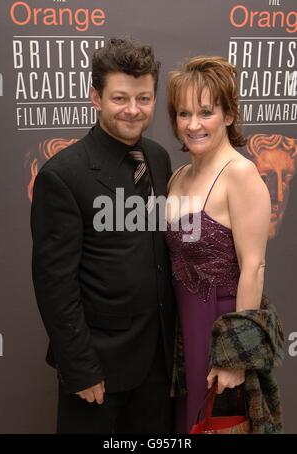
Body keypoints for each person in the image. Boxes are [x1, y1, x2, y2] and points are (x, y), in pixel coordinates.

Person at [31, 37, 176, 434]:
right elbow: (54, 285)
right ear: (95, 97)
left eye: (144, 98)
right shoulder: (63, 176)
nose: (133, 110)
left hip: (159, 366)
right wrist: (80, 369)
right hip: (99, 370)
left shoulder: (159, 158)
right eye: (120, 98)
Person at [165, 56, 272, 433]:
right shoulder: (177, 177)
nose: (193, 124)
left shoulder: (240, 174)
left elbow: (254, 267)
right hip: (183, 329)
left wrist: (235, 357)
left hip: (220, 328)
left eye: (206, 112)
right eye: (183, 113)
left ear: (228, 115)